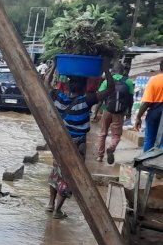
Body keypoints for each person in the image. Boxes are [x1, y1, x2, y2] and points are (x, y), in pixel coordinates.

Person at [44, 67, 113, 219]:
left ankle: (50, 203)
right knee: (70, 176)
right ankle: (57, 210)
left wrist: (54, 66)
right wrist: (106, 69)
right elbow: (110, 89)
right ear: (84, 88)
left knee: (57, 172)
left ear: (68, 86)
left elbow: (46, 83)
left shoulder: (58, 97)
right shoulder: (86, 100)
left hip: (60, 143)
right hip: (77, 145)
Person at [95, 62, 135, 164]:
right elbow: (130, 99)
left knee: (102, 133)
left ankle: (100, 156)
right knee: (116, 135)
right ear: (123, 71)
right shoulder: (128, 82)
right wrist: (129, 112)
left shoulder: (107, 81)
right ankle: (111, 147)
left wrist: (96, 112)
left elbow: (100, 98)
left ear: (113, 71)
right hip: (120, 112)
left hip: (107, 110)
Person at [134, 59, 163, 153]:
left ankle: (146, 163)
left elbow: (146, 102)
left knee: (149, 139)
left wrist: (138, 117)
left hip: (155, 113)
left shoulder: (154, 80)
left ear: (160, 67)